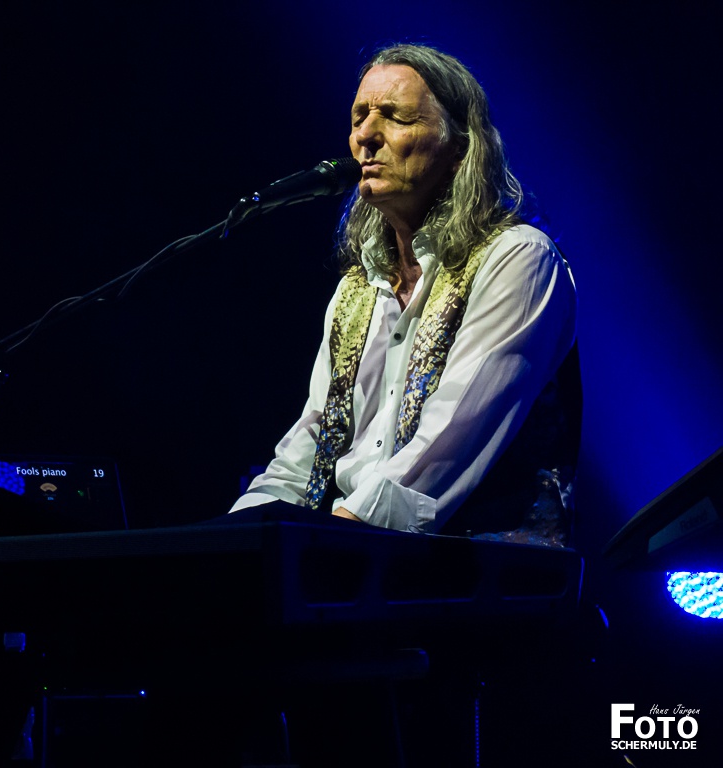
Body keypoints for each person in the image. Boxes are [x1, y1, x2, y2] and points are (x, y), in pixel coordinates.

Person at [228, 42, 581, 547]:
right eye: (359, 117)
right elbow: (307, 448)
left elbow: (448, 443)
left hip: (476, 572)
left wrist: (330, 543)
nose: (365, 136)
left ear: (460, 148)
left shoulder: (518, 258)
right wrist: (231, 540)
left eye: (395, 117)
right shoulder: (356, 289)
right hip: (357, 557)